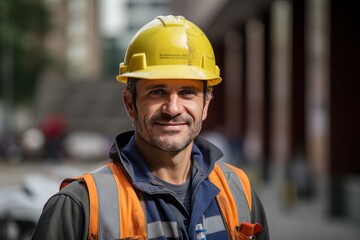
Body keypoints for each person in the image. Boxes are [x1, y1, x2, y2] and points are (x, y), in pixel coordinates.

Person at [31, 15, 269, 240]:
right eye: (157, 92)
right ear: (130, 104)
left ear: (205, 105)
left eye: (188, 92)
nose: (173, 108)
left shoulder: (239, 191)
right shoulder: (80, 205)